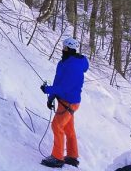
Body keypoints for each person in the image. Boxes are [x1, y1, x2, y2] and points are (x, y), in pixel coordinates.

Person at [40, 37, 90, 168]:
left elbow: (65, 87)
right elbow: (58, 81)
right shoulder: (65, 62)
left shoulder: (73, 65)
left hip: (69, 101)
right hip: (65, 100)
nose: (62, 49)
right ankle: (72, 156)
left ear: (68, 48)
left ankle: (57, 158)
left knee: (56, 126)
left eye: (64, 47)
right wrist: (51, 97)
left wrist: (47, 89)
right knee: (68, 128)